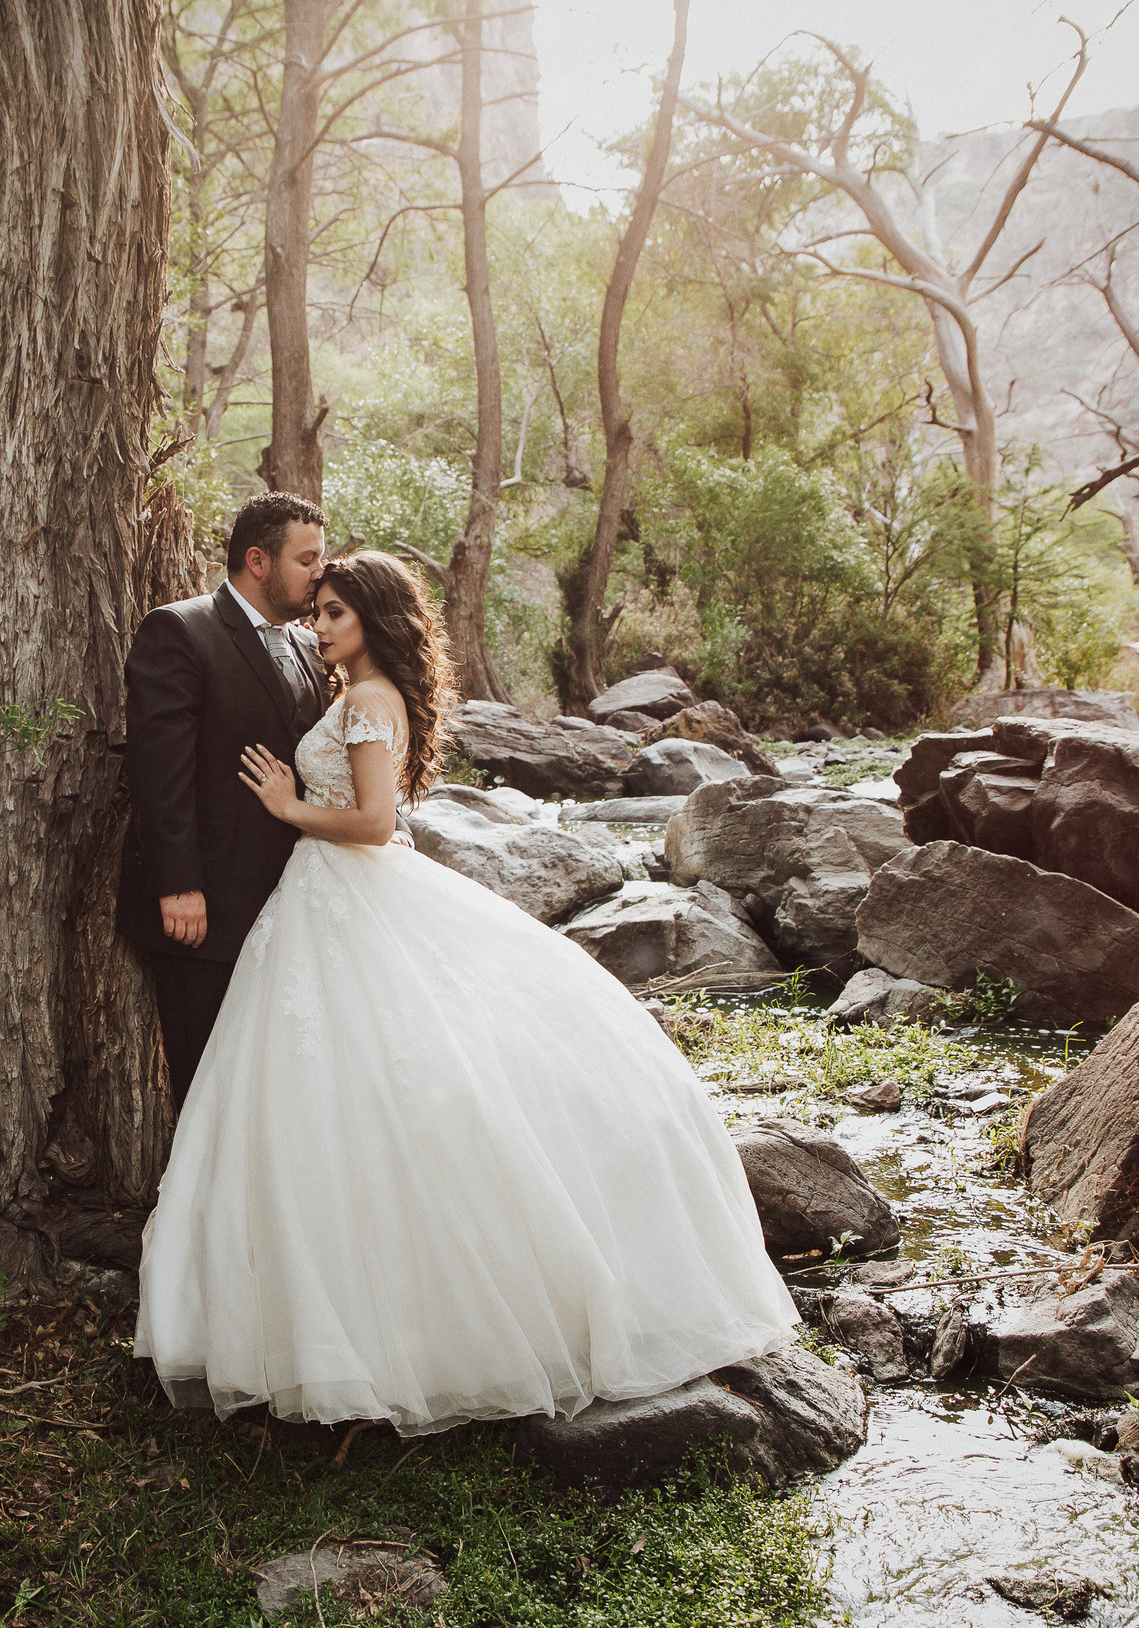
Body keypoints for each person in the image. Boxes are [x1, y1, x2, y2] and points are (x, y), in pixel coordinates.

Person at [133, 551, 799, 1435]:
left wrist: (291, 809)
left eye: (335, 613)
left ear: (372, 619)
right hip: (322, 902)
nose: (319, 627)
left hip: (348, 884)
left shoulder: (370, 702)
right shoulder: (353, 694)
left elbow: (373, 823)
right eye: (317, 611)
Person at [116, 492, 332, 1109]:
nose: (320, 571)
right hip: (203, 910)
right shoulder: (181, 630)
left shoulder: (305, 646)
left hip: (288, 905)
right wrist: (177, 885)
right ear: (258, 561)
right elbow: (160, 770)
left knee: (271, 1082)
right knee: (208, 1081)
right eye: (307, 558)